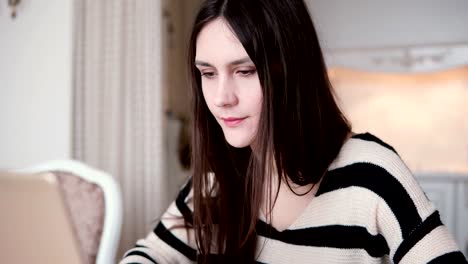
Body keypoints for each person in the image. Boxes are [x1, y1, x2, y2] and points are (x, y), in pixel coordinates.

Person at [120, 0, 467, 263]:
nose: (221, 98)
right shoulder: (213, 185)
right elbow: (149, 254)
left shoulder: (370, 174)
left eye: (245, 71)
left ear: (290, 72)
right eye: (208, 74)